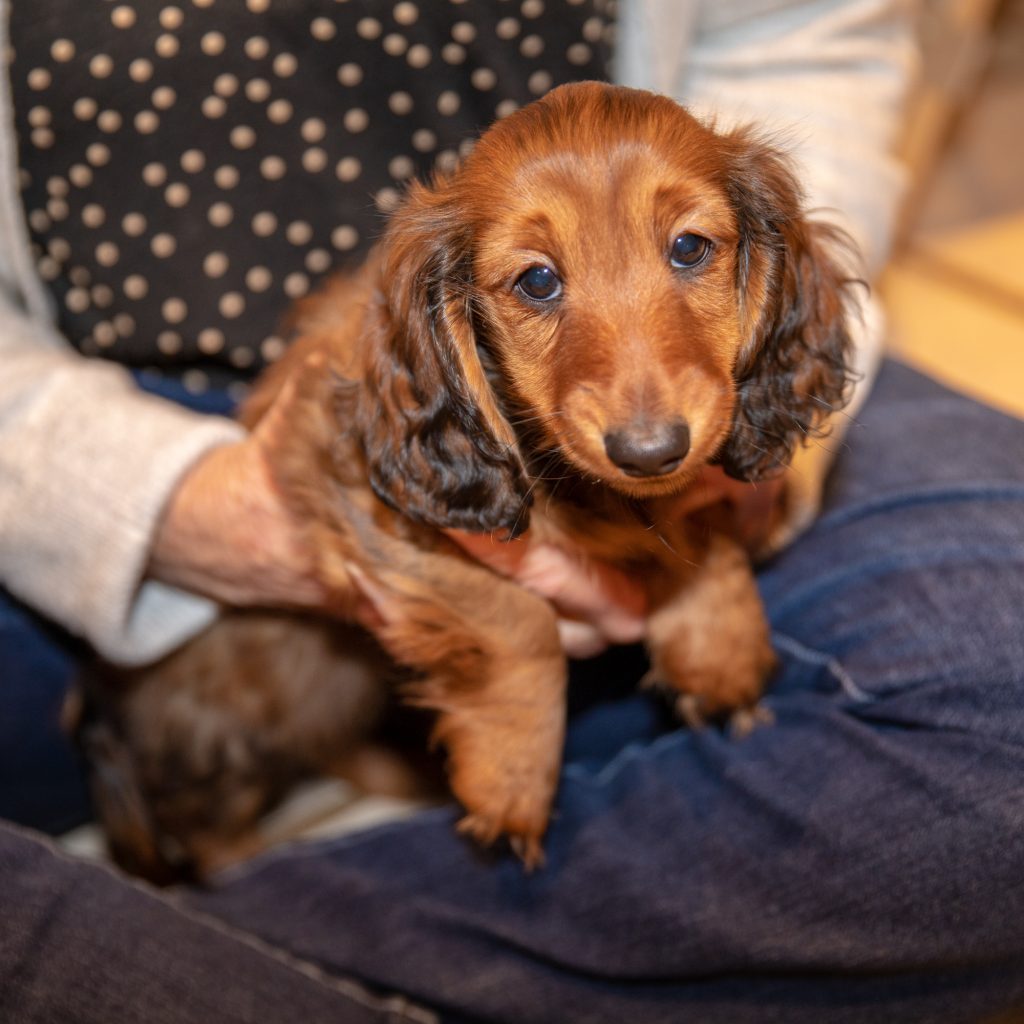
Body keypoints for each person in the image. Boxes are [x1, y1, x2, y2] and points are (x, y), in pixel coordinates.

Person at [3, 1, 1023, 1021]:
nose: (641, 414)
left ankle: (253, 937)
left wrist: (716, 525)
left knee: (996, 718)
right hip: (88, 425)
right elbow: (403, 451)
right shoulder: (430, 338)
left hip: (659, 397)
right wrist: (173, 502)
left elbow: (808, 45)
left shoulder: (748, 272)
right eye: (535, 282)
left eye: (689, 250)